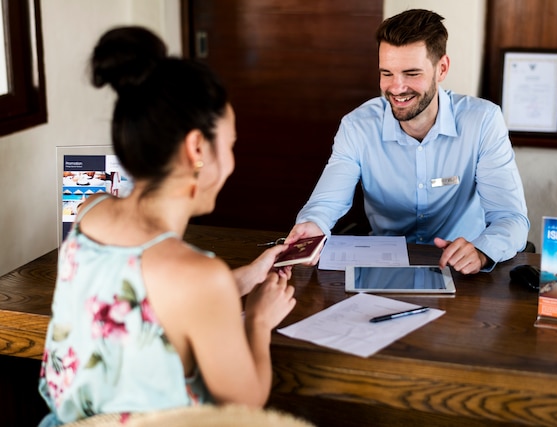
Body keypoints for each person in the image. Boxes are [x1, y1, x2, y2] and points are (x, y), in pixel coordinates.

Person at [38, 26, 296, 426]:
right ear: (196, 148)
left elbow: (149, 302)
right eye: (229, 145)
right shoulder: (199, 276)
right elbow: (244, 404)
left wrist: (243, 280)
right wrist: (260, 319)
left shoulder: (89, 212)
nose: (231, 162)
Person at [286, 9, 529, 274]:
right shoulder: (357, 127)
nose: (396, 87)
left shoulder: (483, 121)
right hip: (383, 269)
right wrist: (312, 225)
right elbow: (326, 204)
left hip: (461, 272)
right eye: (386, 73)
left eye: (411, 73)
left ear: (442, 68)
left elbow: (511, 218)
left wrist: (483, 250)